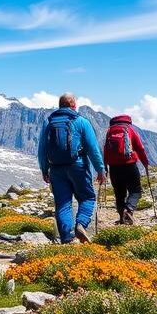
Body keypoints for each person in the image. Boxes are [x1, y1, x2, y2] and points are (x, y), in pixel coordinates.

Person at [37, 93, 105, 243]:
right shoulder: (81, 121)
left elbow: (42, 149)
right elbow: (93, 148)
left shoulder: (48, 123)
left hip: (56, 169)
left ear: (60, 105)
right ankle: (81, 224)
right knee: (87, 197)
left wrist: (44, 169)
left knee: (62, 203)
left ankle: (67, 238)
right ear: (74, 105)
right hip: (78, 166)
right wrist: (100, 169)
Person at [103, 114, 149, 225]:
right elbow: (140, 148)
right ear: (128, 121)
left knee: (119, 194)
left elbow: (105, 150)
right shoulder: (130, 130)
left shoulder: (110, 132)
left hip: (114, 168)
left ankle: (122, 218)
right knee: (136, 190)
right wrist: (146, 164)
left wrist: (105, 167)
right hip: (130, 165)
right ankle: (128, 209)